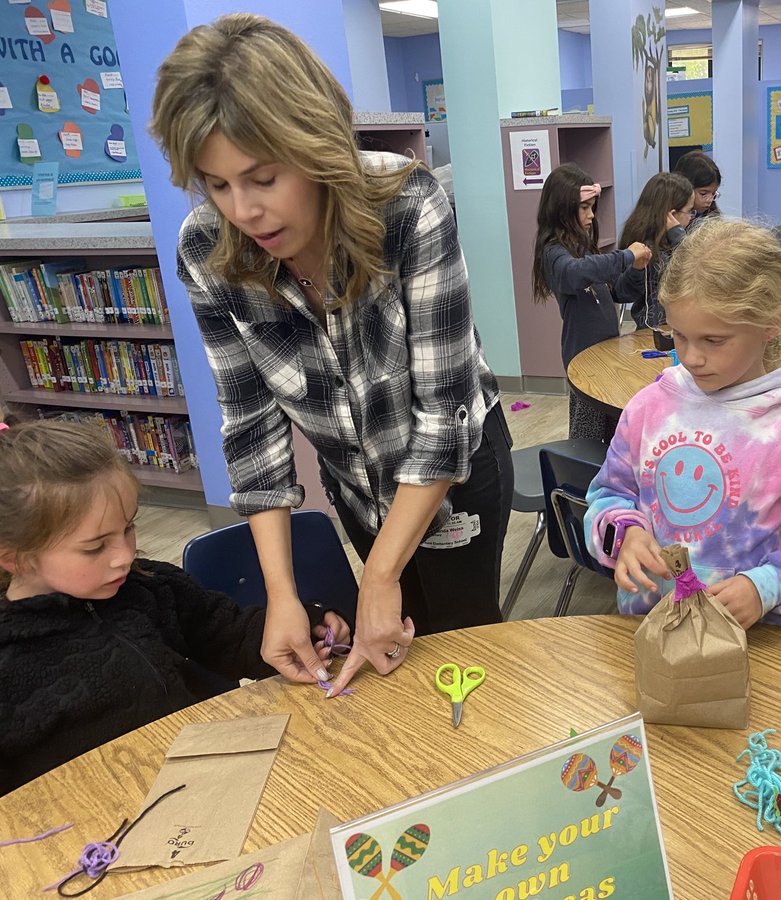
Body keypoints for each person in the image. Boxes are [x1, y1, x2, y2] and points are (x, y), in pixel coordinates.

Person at [149, 14, 513, 697]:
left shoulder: (406, 204)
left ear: (313, 142)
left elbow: (443, 418)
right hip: (357, 478)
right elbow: (252, 428)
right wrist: (280, 595)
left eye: (262, 177)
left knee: (466, 645)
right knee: (393, 655)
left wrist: (378, 575)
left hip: (457, 463)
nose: (244, 211)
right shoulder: (206, 250)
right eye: (217, 185)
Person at [0, 418, 351, 795]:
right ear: (17, 559)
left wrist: (302, 628)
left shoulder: (150, 585)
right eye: (95, 547)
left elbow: (227, 632)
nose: (124, 555)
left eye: (129, 528)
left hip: (209, 779)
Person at [582, 219, 781, 629]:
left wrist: (767, 587)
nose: (691, 357)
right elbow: (608, 496)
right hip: (649, 637)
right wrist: (624, 533)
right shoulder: (649, 408)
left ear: (770, 325)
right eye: (679, 336)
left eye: (713, 340)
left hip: (757, 648)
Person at [532, 163, 651, 441]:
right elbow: (574, 274)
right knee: (587, 437)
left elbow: (617, 293)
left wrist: (635, 271)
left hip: (606, 357)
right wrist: (625, 257)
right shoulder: (554, 253)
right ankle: (582, 482)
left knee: (612, 433)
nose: (591, 215)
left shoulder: (583, 249)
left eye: (592, 207)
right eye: (584, 208)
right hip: (584, 362)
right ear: (562, 209)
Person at [617, 172, 694, 329]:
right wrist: (636, 269)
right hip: (656, 332)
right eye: (689, 211)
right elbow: (622, 293)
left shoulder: (676, 241)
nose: (692, 217)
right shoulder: (645, 248)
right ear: (672, 215)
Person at [673, 150, 722, 230]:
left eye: (713, 194)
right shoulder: (671, 220)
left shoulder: (711, 218)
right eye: (703, 194)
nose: (709, 200)